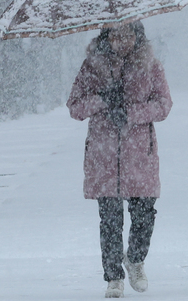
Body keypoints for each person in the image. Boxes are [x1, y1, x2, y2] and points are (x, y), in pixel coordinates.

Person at [68, 21, 172, 297]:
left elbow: (164, 105)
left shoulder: (151, 65)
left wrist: (130, 112)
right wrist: (102, 99)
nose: (122, 41)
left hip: (140, 156)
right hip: (104, 156)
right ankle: (114, 277)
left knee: (144, 216)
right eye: (116, 36)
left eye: (127, 35)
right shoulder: (92, 66)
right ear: (106, 37)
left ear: (138, 37)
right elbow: (75, 106)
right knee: (110, 221)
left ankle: (135, 260)